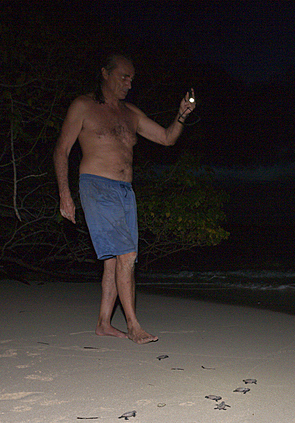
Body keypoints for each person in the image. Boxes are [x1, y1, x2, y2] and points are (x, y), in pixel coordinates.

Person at [54, 54, 195, 344]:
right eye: (123, 76)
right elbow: (61, 151)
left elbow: (167, 138)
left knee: (114, 260)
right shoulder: (84, 106)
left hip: (125, 192)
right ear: (104, 73)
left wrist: (181, 114)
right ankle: (133, 325)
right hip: (96, 186)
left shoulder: (131, 113)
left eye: (132, 78)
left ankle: (104, 323)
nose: (129, 83)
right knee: (127, 256)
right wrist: (65, 194)